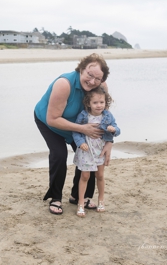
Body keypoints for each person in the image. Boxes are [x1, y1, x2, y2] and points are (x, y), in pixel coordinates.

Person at [34, 53, 111, 216]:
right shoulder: (64, 84)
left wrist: (108, 143)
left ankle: (79, 196)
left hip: (80, 125)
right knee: (59, 154)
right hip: (50, 122)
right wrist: (83, 129)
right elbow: (53, 119)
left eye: (97, 78)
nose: (92, 81)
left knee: (89, 152)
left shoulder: (101, 87)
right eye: (89, 75)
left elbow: (105, 119)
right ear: (81, 69)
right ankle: (55, 197)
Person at [71, 87, 121, 215]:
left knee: (99, 175)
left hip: (100, 149)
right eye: (95, 103)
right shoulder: (83, 115)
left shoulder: (108, 116)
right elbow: (76, 131)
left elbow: (117, 129)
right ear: (88, 103)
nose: (99, 105)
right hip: (86, 150)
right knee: (85, 176)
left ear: (106, 103)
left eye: (101, 102)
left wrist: (113, 129)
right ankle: (81, 203)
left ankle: (101, 200)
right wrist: (80, 143)